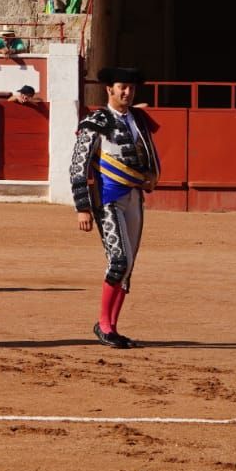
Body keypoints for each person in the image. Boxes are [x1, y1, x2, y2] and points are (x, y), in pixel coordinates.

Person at [72, 66, 159, 349]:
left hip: (134, 197)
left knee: (128, 266)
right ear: (108, 89)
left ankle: (112, 326)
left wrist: (150, 178)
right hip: (107, 199)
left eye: (131, 88)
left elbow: (148, 156)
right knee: (119, 260)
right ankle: (104, 324)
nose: (127, 92)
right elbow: (78, 166)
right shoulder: (95, 121)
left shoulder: (139, 120)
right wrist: (82, 207)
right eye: (122, 87)